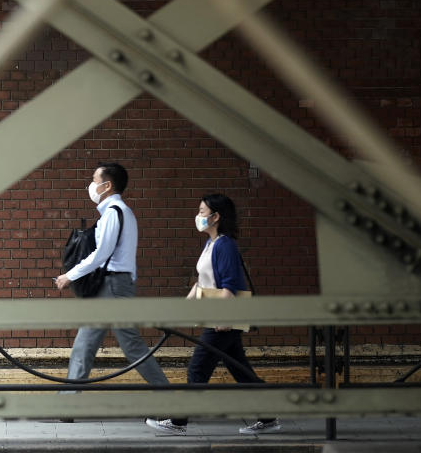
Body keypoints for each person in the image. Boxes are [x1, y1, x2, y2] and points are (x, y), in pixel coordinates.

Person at [145, 194, 280, 436]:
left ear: (216, 216)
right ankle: (269, 416)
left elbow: (228, 286)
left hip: (222, 322)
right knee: (241, 371)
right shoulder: (211, 244)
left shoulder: (225, 245)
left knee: (197, 370)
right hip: (218, 319)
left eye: (202, 211)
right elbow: (202, 284)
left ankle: (178, 421)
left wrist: (223, 318)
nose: (198, 216)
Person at [53, 162, 171, 395]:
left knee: (131, 346)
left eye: (95, 181)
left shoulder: (114, 212)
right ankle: (66, 402)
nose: (92, 186)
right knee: (85, 344)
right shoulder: (118, 212)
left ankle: (171, 401)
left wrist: (70, 275)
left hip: (113, 286)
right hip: (112, 286)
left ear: (107, 185)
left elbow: (102, 253)